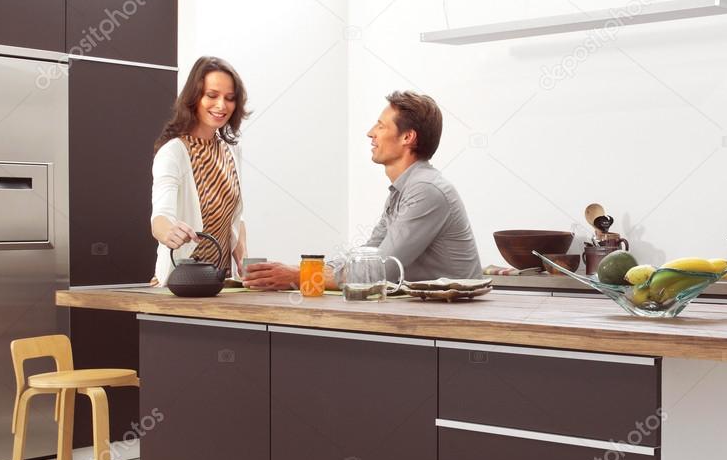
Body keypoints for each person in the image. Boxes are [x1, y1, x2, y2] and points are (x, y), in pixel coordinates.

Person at [244, 91, 480, 290]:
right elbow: (370, 253)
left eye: (380, 126)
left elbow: (380, 270)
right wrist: (298, 270)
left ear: (408, 137)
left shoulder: (425, 190)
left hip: (453, 320)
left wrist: (300, 276)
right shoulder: (405, 189)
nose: (370, 133)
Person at [150, 56, 250, 285]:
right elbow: (160, 217)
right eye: (212, 95)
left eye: (230, 98)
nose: (221, 106)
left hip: (220, 283)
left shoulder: (231, 151)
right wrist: (170, 232)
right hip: (181, 282)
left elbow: (237, 217)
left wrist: (244, 261)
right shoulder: (173, 152)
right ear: (194, 98)